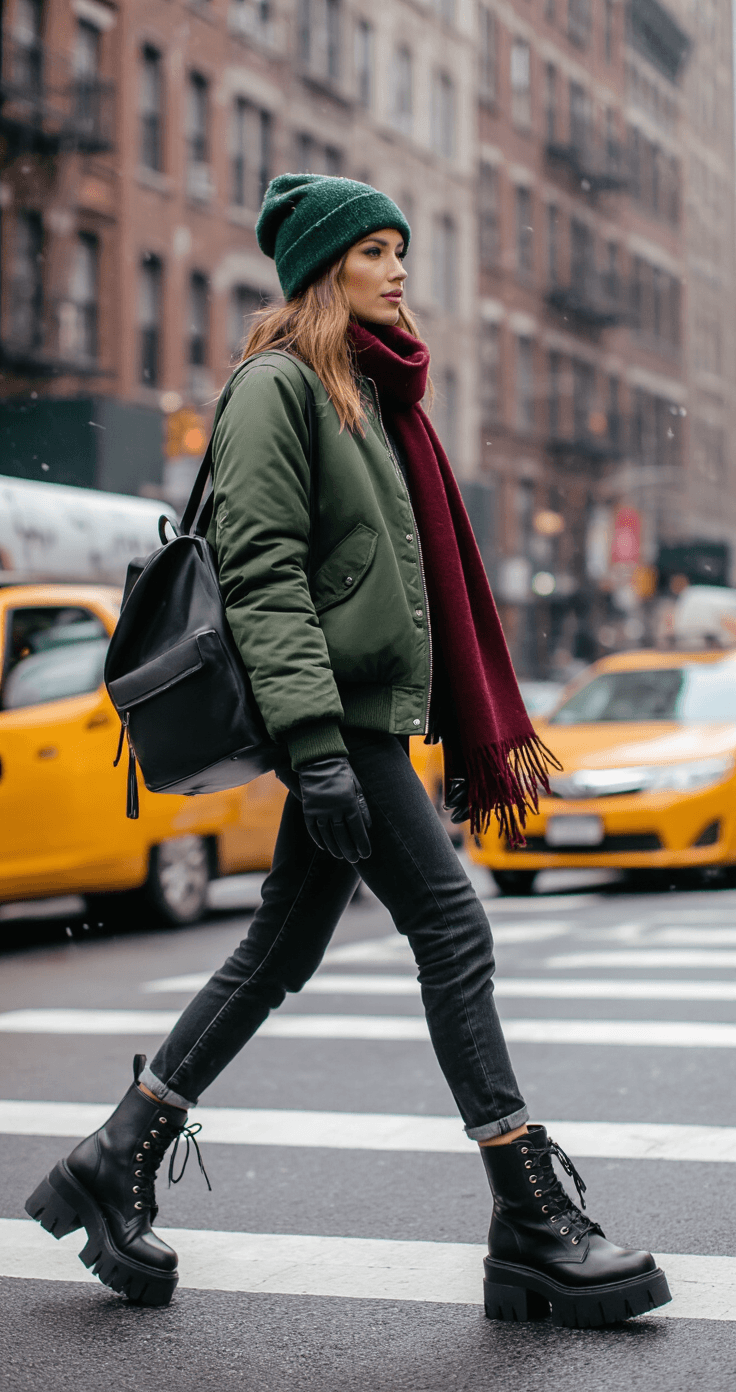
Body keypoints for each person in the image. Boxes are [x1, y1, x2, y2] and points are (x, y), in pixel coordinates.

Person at [25, 175, 670, 1327]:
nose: (397, 268)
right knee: (453, 927)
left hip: (358, 721)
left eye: (400, 249)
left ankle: (113, 1157)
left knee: (277, 950)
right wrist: (318, 750)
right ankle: (529, 1219)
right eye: (373, 251)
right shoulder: (279, 388)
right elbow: (266, 574)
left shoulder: (366, 394)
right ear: (324, 269)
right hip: (338, 723)